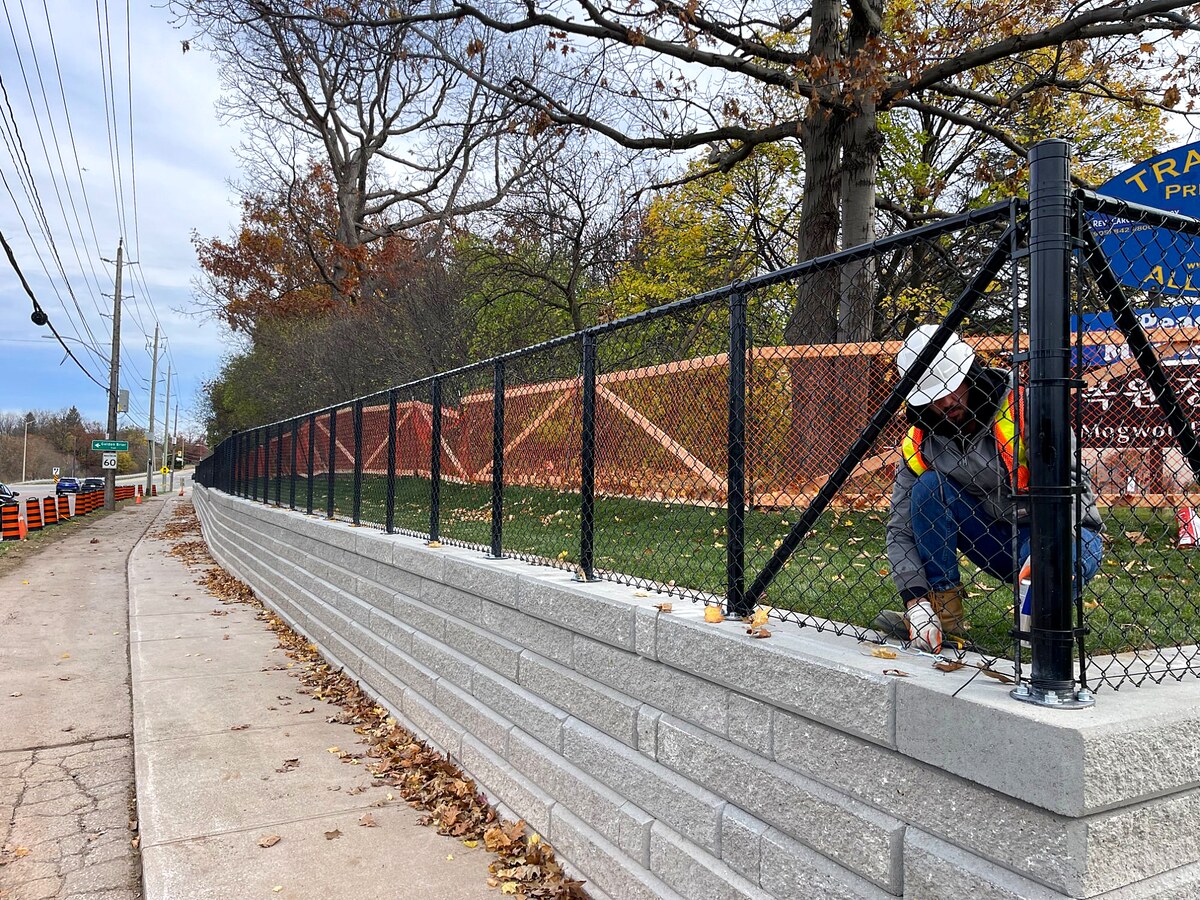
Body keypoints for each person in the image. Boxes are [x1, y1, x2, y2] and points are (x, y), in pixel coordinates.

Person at [878, 325, 1104, 653]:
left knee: (1043, 612)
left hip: (1065, 533)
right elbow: (899, 528)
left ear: (969, 372)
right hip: (995, 541)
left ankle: (1046, 611)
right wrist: (915, 600)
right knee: (929, 486)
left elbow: (1071, 487)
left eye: (951, 385)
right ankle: (942, 616)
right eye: (933, 395)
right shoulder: (919, 442)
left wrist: (1047, 550)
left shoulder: (1026, 407)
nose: (946, 400)